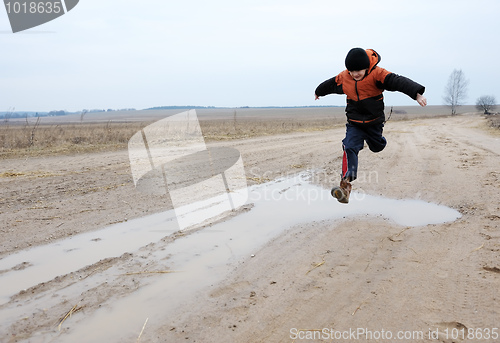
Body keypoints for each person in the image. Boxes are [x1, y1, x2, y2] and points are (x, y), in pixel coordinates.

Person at [314, 47, 427, 204]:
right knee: (349, 146)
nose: (355, 74)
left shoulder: (377, 74)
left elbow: (398, 81)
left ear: (366, 67)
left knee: (376, 147)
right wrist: (319, 91)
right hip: (355, 123)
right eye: (352, 71)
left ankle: (380, 141)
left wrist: (416, 93)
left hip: (374, 123)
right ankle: (345, 185)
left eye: (358, 70)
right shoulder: (345, 77)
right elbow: (331, 84)